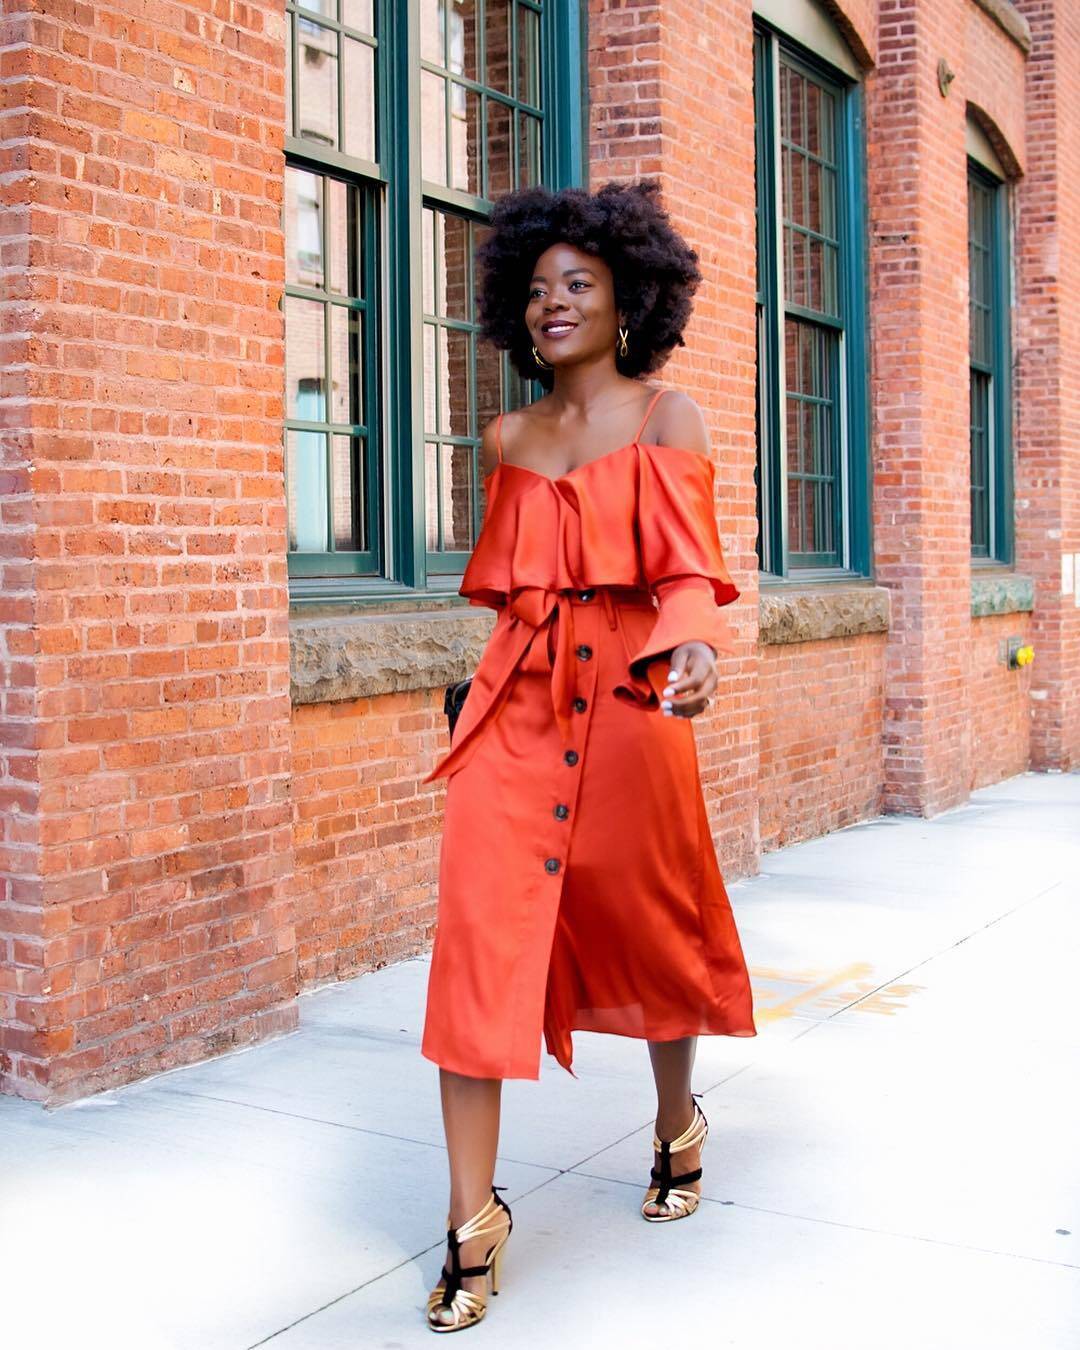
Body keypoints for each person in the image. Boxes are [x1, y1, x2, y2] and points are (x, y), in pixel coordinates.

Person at [419, 180, 757, 1333]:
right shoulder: (509, 434)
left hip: (633, 702)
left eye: (581, 284)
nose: (554, 301)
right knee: (476, 945)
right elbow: (514, 592)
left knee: (655, 924)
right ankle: (473, 1221)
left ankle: (677, 1123)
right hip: (514, 709)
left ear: (629, 303)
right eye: (538, 286)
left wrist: (695, 647)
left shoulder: (670, 418)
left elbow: (683, 570)